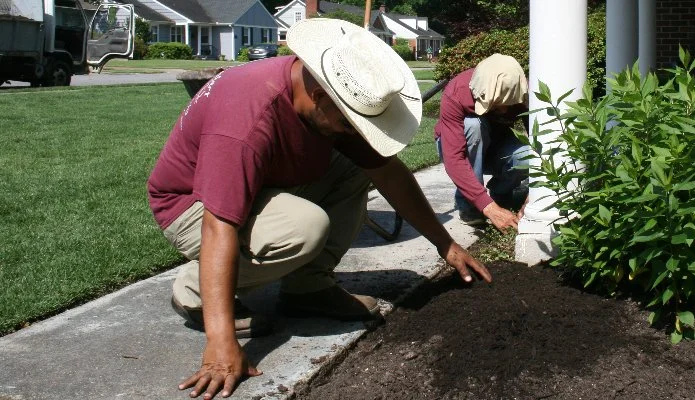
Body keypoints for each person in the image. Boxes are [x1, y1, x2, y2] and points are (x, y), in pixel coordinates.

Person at [146, 19, 491, 400]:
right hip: (192, 206)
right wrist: (221, 341)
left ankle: (307, 288)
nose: (352, 130)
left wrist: (446, 244)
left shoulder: (329, 104)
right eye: (348, 122)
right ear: (318, 92)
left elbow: (390, 174)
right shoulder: (248, 116)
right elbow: (219, 225)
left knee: (361, 169)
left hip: (266, 184)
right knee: (305, 227)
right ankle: (194, 290)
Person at [434, 53, 531, 230]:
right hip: (462, 148)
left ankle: (500, 196)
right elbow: (454, 158)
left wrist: (535, 196)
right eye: (496, 104)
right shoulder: (457, 92)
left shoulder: (523, 90)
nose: (503, 110)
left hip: (497, 148)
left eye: (508, 104)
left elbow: (542, 144)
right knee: (472, 126)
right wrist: (488, 208)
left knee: (528, 156)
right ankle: (470, 206)